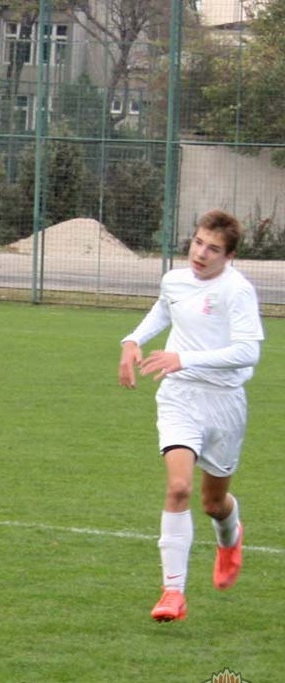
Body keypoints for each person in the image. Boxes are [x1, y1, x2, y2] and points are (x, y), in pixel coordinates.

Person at [118, 209, 264, 623]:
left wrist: (185, 357)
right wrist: (132, 340)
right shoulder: (175, 280)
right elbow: (165, 309)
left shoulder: (237, 291)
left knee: (213, 503)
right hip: (179, 394)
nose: (200, 254)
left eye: (213, 249)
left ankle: (230, 537)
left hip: (224, 402)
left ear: (229, 256)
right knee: (179, 486)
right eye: (198, 243)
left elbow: (248, 351)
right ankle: (173, 592)